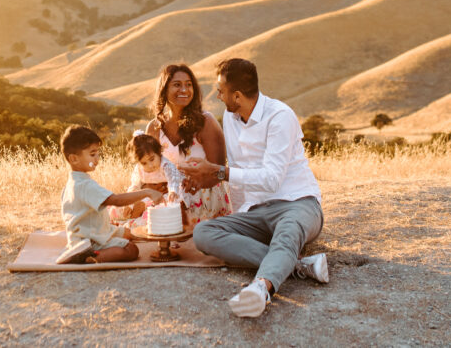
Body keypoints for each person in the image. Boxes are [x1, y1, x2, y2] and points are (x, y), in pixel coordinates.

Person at [183, 58, 328, 317]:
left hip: (297, 203)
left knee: (287, 232)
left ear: (237, 95)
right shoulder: (231, 116)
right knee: (204, 233)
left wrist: (218, 172)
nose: (217, 95)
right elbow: (239, 170)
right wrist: (240, 214)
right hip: (256, 212)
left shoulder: (280, 116)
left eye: (221, 90)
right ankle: (297, 265)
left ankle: (261, 289)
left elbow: (271, 179)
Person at [57, 125, 163, 264]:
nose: (97, 158)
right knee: (131, 250)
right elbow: (116, 200)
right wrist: (147, 192)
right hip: (90, 241)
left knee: (127, 234)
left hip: (80, 237)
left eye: (97, 153)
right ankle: (90, 257)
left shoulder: (72, 183)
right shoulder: (86, 185)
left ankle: (81, 252)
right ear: (74, 159)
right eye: (92, 154)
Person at [146, 63, 232, 227]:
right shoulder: (154, 127)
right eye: (177, 85)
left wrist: (198, 182)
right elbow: (148, 169)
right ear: (164, 89)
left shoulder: (205, 122)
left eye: (188, 85)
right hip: (169, 198)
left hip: (204, 198)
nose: (184, 90)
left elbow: (220, 173)